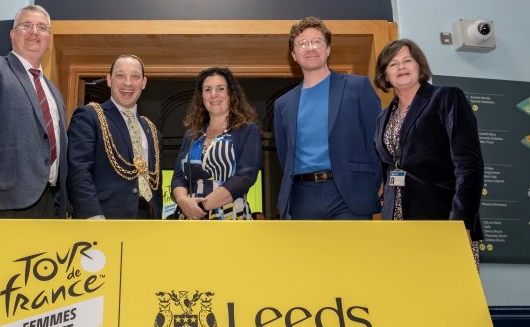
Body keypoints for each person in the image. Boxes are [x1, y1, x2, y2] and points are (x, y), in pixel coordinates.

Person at [373, 38, 485, 267]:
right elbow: (390, 168)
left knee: (448, 294)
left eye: (407, 60)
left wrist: (461, 222)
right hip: (396, 223)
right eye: (393, 64)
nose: (401, 67)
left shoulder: (446, 98)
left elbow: (469, 166)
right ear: (385, 75)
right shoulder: (383, 117)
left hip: (442, 218)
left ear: (419, 66)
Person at [0, 5, 67, 219]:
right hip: (0, 202)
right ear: (12, 34)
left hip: (48, 204)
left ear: (49, 37)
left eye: (42, 28)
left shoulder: (54, 91)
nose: (34, 32)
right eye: (26, 25)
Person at [273, 17, 382, 220]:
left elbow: (375, 142)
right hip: (302, 196)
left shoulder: (357, 87)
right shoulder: (283, 104)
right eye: (302, 44)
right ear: (294, 55)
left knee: (350, 253)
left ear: (328, 49)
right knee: (308, 253)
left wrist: (369, 184)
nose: (310, 48)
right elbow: (284, 155)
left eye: (316, 41)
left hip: (350, 195)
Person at [66, 55, 161, 219]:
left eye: (135, 77)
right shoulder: (90, 116)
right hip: (104, 218)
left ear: (143, 83)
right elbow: (78, 170)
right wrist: (92, 215)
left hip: (148, 220)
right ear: (109, 80)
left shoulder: (150, 129)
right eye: (120, 75)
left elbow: (156, 181)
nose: (128, 83)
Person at [171, 67, 262, 220]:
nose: (213, 95)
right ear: (201, 96)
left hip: (230, 216)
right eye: (207, 89)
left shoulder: (247, 130)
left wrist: (201, 206)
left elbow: (245, 177)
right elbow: (178, 177)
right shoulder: (192, 135)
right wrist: (182, 201)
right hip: (189, 218)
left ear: (231, 94)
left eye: (220, 88)